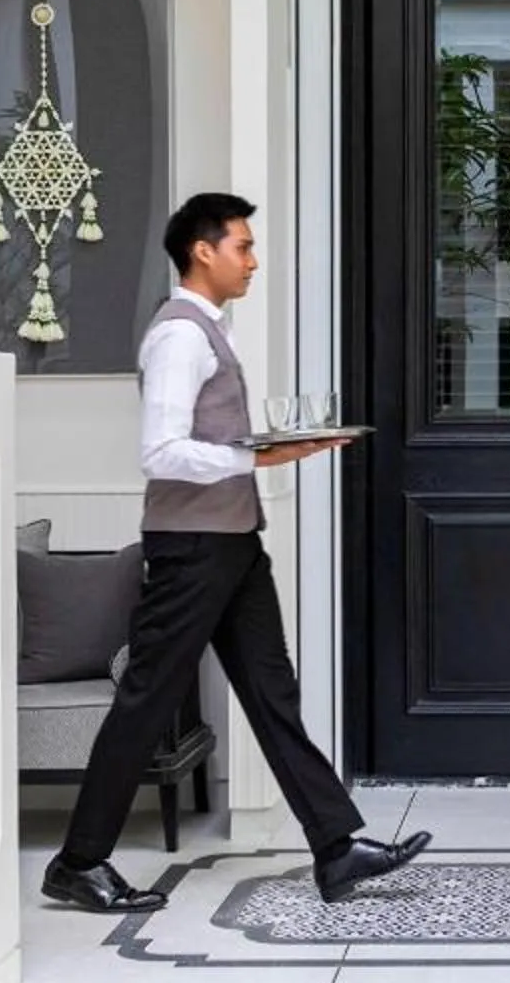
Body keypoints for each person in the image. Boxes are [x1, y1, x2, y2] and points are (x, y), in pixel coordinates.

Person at [42, 191, 430, 913]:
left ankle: (336, 849)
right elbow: (160, 452)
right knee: (148, 698)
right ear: (203, 251)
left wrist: (278, 452)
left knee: (272, 694)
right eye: (243, 247)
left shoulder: (209, 332)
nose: (252, 261)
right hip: (191, 549)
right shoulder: (180, 337)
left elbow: (213, 449)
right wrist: (254, 456)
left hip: (231, 544)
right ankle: (79, 860)